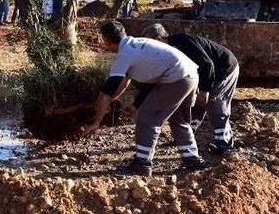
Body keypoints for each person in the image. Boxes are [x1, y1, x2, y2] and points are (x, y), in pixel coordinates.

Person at [81, 20, 206, 175]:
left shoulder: (124, 54)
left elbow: (108, 90)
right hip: (191, 75)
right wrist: (121, 104)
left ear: (106, 40)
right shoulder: (136, 44)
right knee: (179, 119)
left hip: (176, 77)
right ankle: (192, 159)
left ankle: (142, 163)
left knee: (148, 118)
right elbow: (124, 84)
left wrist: (96, 121)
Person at [141, 24, 239, 155]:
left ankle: (225, 145)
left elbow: (207, 64)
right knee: (196, 103)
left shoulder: (183, 41)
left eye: (149, 43)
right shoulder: (167, 52)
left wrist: (204, 90)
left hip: (224, 68)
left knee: (216, 104)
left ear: (159, 38)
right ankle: (187, 136)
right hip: (205, 73)